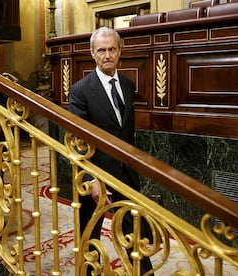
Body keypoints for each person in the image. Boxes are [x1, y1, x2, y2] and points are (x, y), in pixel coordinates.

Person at [68, 26, 154, 275]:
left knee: (133, 233)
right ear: (93, 54)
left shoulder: (127, 84)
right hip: (95, 179)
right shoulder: (80, 90)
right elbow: (78, 141)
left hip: (125, 175)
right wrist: (90, 179)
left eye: (112, 49)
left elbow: (125, 132)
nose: (107, 55)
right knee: (89, 238)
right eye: (101, 50)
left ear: (119, 52)